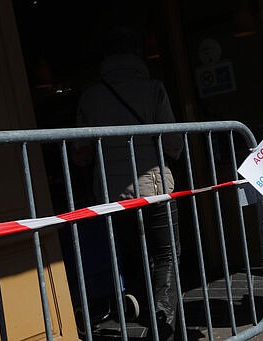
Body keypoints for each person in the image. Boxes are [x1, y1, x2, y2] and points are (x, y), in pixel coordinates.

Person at [76, 27, 183, 339]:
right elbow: (173, 142)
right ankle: (162, 323)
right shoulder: (153, 89)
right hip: (155, 187)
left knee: (134, 254)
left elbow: (80, 155)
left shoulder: (91, 96)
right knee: (167, 253)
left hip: (111, 193)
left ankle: (150, 313)